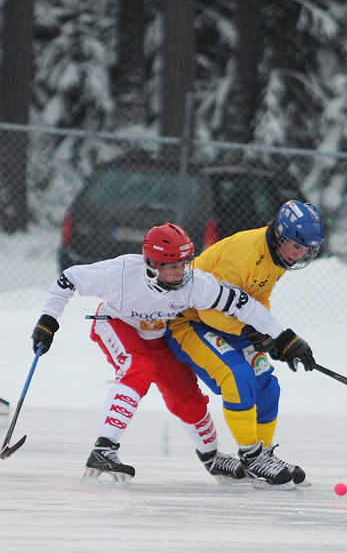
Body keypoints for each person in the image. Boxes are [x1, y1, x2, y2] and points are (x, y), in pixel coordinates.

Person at [31, 222, 287, 485]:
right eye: (172, 267)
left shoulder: (195, 283)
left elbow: (243, 306)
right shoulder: (119, 274)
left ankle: (211, 457)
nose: (181, 273)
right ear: (152, 264)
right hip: (116, 323)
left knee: (186, 394)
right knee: (138, 367)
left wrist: (282, 336)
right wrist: (48, 320)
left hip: (156, 336)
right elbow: (68, 279)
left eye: (184, 264)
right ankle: (104, 448)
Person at [166, 200, 323, 490]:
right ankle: (251, 458)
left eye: (305, 250)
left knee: (266, 381)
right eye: (296, 246)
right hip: (189, 321)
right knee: (238, 377)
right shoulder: (244, 253)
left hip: (226, 321)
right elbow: (208, 309)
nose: (300, 254)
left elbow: (258, 298)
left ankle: (263, 453)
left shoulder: (279, 257)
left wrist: (272, 336)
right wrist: (255, 331)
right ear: (279, 234)